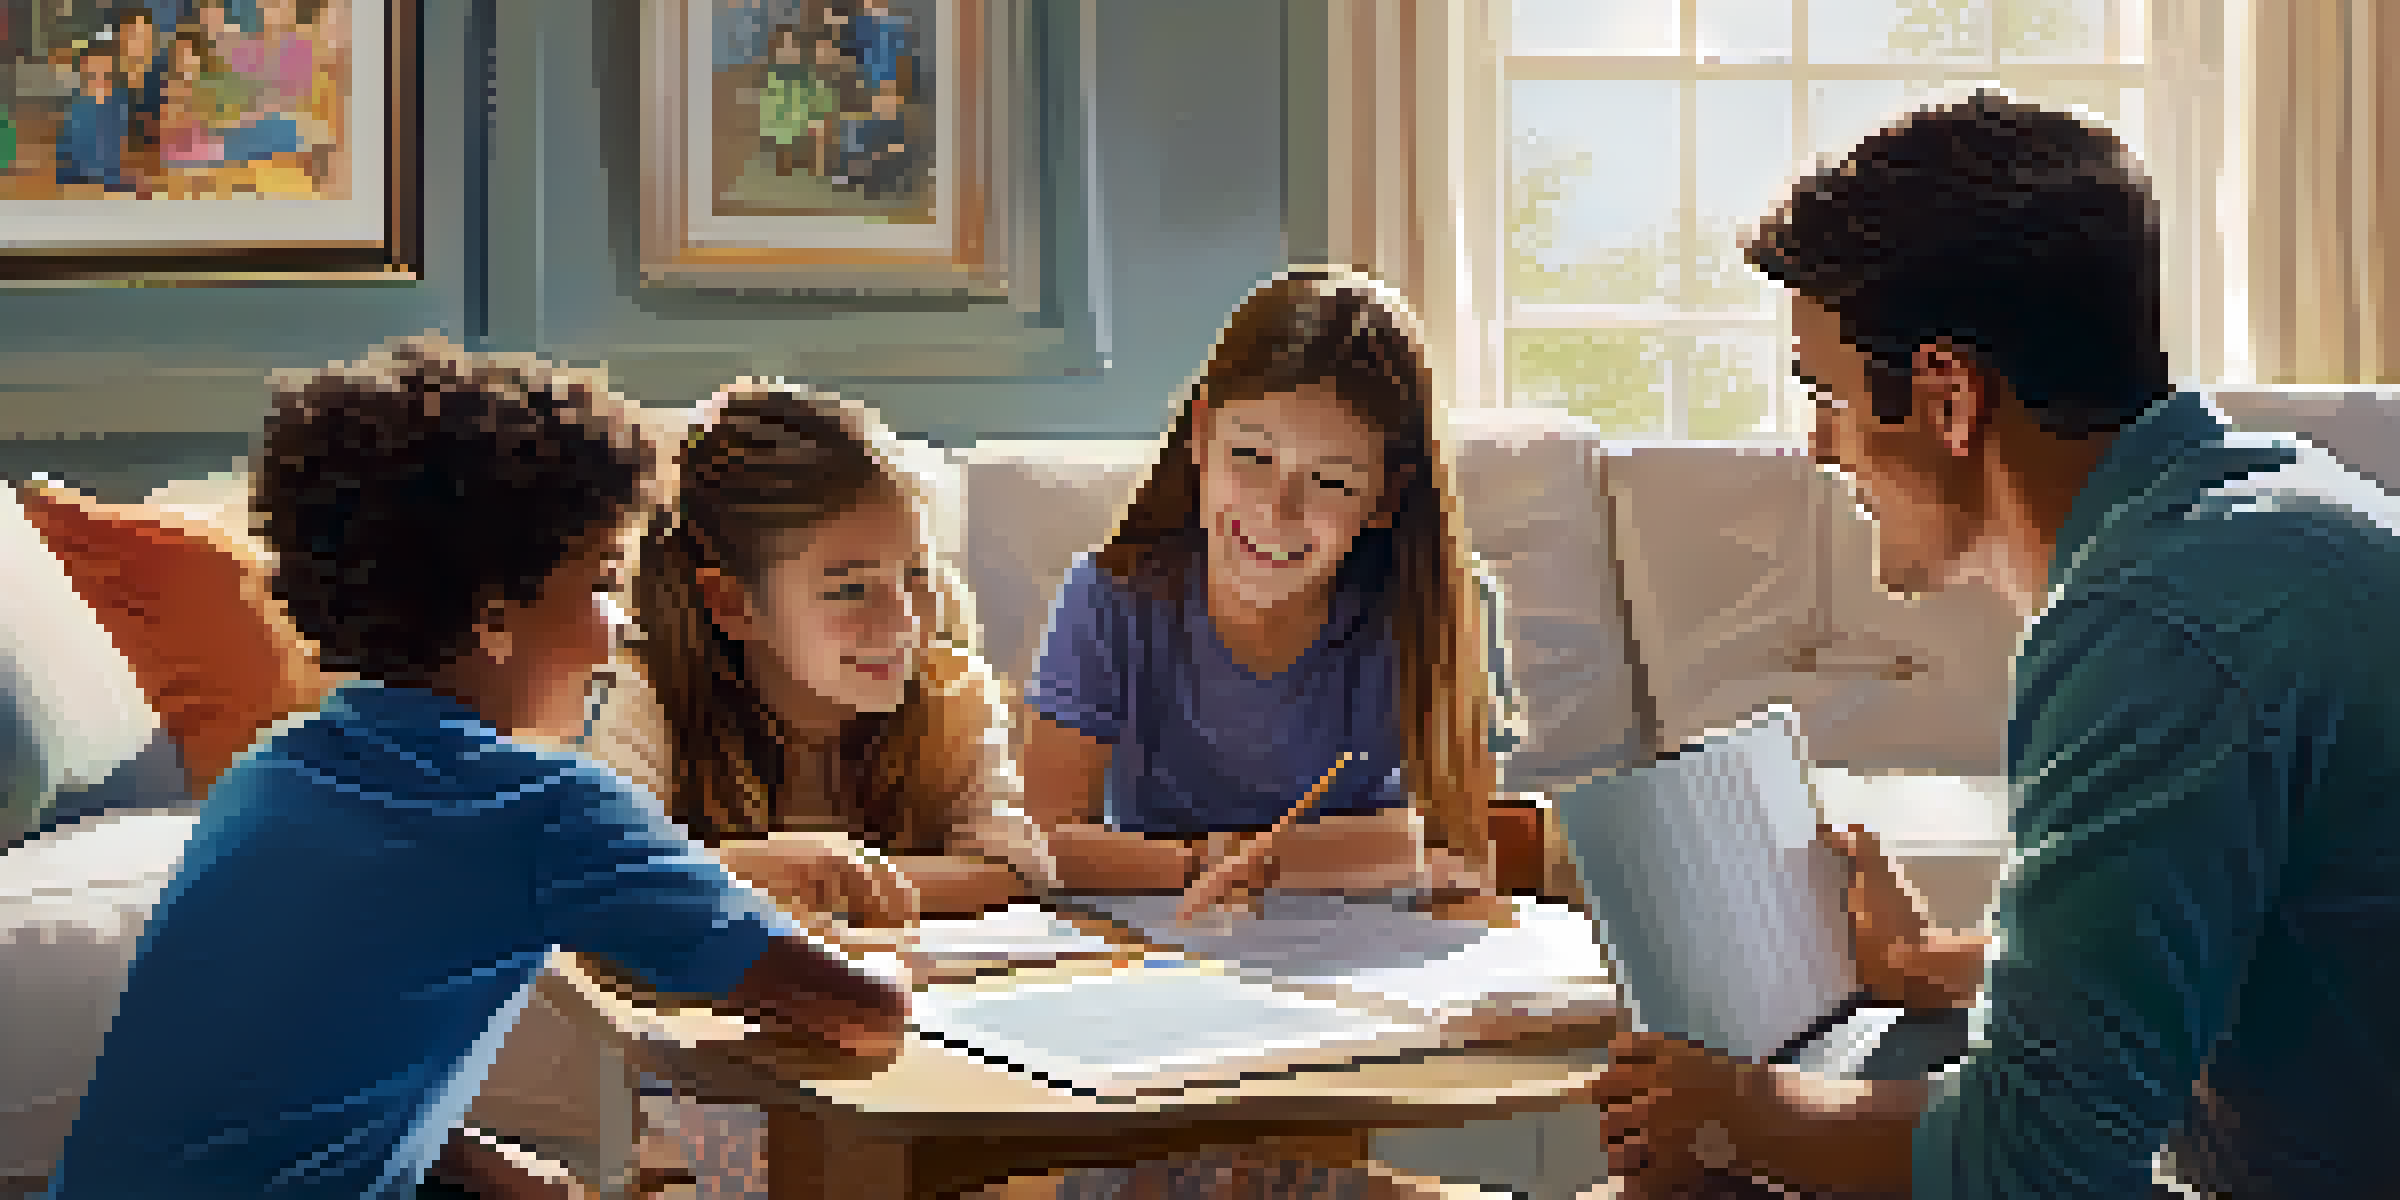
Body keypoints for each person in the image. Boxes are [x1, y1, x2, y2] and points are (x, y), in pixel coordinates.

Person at [1585, 89, 2400, 1199]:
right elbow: (2208, 943)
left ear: (1948, 397)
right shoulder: (2274, 508)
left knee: (1709, 1171)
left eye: (1826, 394)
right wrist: (1933, 967)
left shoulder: (2148, 633)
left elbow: (2041, 1163)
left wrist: (1736, 1114)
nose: (1818, 446)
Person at [39, 337, 915, 1200]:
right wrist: (900, 964)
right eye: (602, 583)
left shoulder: (272, 773)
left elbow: (277, 1076)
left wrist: (481, 1163)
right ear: (494, 618)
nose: (620, 628)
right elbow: (864, 1014)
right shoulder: (544, 809)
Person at [463, 381, 1061, 1191]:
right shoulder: (647, 695)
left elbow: (1018, 868)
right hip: (712, 1075)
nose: (901, 619)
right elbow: (596, 883)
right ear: (733, 603)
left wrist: (839, 878)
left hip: (925, 1053)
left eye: (914, 574)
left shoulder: (949, 688)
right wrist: (763, 868)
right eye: (849, 587)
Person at [1021, 268, 1502, 914]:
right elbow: (1042, 849)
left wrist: (1255, 863)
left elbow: (1463, 859)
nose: (1277, 512)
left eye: (1330, 482)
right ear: (1200, 436)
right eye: (1251, 456)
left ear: (1386, 497)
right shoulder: (1109, 600)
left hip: (1369, 947)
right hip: (1166, 943)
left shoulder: (1436, 609)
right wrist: (1225, 862)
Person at [757, 24, 835, 177]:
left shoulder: (806, 74)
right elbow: (771, 111)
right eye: (785, 47)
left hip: (805, 123)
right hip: (785, 128)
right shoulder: (773, 78)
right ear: (776, 51)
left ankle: (816, 164)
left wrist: (817, 116)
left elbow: (819, 96)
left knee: (821, 126)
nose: (790, 51)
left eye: (793, 46)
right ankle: (789, 160)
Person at [54, 40, 127, 192]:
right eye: (93, 74)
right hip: (81, 186)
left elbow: (123, 150)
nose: (100, 80)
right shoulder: (75, 108)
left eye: (106, 74)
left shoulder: (120, 104)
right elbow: (67, 158)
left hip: (114, 185)